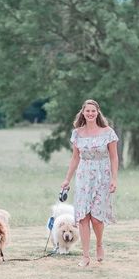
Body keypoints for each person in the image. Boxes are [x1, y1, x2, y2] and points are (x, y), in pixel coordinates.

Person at [60, 99, 119, 267]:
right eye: (88, 111)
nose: (91, 113)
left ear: (98, 112)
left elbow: (114, 157)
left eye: (93, 111)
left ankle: (99, 244)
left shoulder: (108, 132)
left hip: (102, 176)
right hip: (83, 176)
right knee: (83, 217)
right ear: (83, 113)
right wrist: (67, 179)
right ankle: (85, 256)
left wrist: (114, 179)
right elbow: (75, 158)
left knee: (96, 218)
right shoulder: (77, 133)